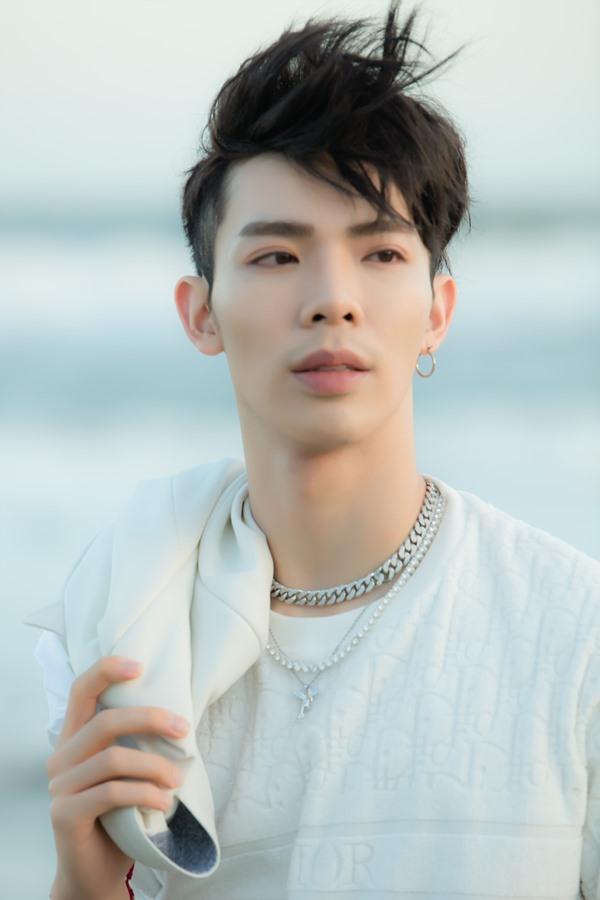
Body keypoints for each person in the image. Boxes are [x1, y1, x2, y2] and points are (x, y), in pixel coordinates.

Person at [24, 1, 600, 898]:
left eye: (380, 254)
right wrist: (83, 882)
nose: (333, 298)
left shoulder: (573, 629)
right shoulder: (127, 628)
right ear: (201, 315)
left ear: (437, 312)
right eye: (277, 257)